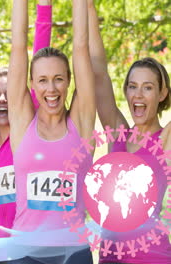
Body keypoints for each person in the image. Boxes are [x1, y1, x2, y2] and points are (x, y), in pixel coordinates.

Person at [7, 0, 96, 263]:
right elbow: (18, 46)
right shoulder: (23, 122)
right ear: (32, 84)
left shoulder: (80, 122)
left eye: (59, 79)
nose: (51, 89)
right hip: (25, 252)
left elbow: (81, 47)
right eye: (43, 81)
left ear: (69, 80)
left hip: (74, 252)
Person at [88, 0, 170, 263]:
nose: (138, 94)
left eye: (148, 87)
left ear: (162, 94)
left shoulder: (166, 139)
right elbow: (99, 74)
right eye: (133, 86)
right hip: (111, 255)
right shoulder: (119, 135)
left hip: (152, 256)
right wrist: (88, 8)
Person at [0, 0, 53, 233]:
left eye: (8, 94)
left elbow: (39, 56)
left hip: (26, 249)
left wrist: (44, 8)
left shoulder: (29, 133)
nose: (2, 99)